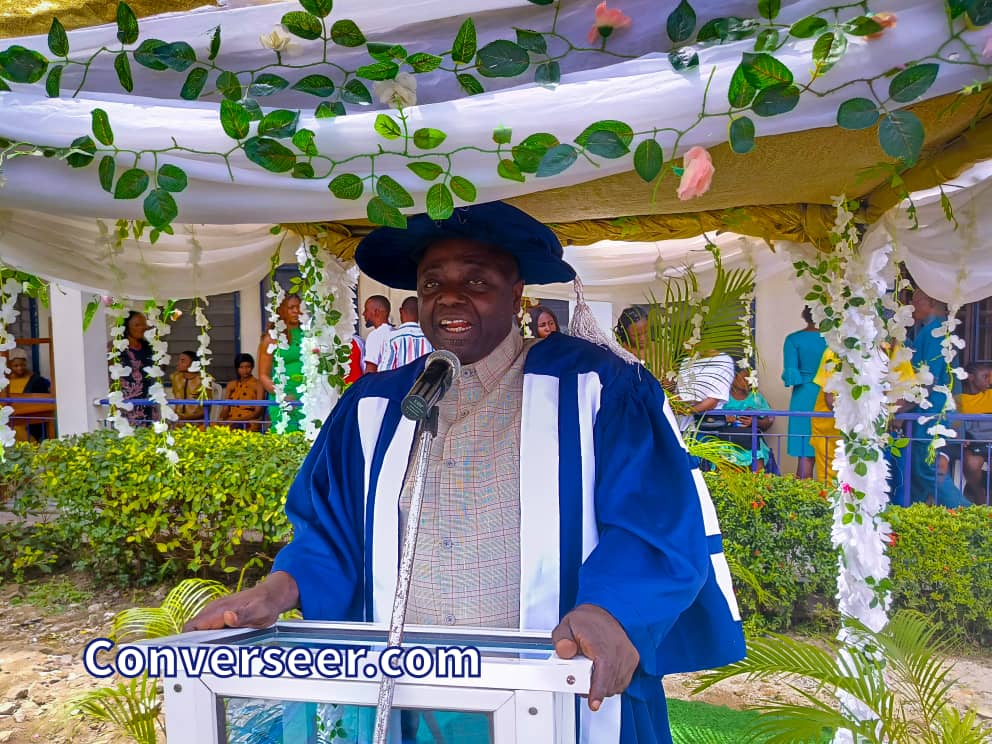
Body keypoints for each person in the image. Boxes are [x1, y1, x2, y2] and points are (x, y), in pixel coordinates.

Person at [188, 201, 745, 744]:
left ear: (517, 292)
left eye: (476, 281)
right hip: (408, 691)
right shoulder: (373, 405)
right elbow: (330, 532)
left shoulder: (599, 388)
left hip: (554, 689)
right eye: (431, 283)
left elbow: (657, 522)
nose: (449, 297)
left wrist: (612, 611)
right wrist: (277, 589)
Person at [907, 288, 970, 507]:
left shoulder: (936, 332)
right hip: (928, 413)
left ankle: (970, 517)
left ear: (930, 301)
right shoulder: (930, 331)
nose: (911, 306)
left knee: (928, 471)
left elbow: (928, 379)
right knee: (917, 475)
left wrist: (901, 406)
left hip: (933, 414)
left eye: (915, 301)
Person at [781, 307, 826, 478]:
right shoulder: (834, 340)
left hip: (804, 395)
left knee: (805, 454)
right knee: (829, 448)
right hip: (828, 394)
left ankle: (803, 497)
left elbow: (791, 376)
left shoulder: (793, 339)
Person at [258, 294, 304, 433]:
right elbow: (263, 376)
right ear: (282, 311)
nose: (296, 311)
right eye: (291, 308)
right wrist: (282, 395)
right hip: (283, 398)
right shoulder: (272, 338)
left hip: (308, 398)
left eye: (298, 307)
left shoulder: (308, 334)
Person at [720, 368, 774, 471]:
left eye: (749, 378)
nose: (747, 380)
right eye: (744, 378)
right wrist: (725, 419)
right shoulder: (724, 397)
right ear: (734, 378)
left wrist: (754, 422)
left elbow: (769, 421)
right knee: (725, 469)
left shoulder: (756, 397)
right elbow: (712, 419)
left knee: (757, 470)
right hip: (728, 441)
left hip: (751, 440)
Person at [956, 361, 992, 504]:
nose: (989, 381)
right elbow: (956, 425)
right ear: (970, 377)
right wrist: (961, 436)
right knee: (971, 464)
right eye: (985, 376)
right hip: (973, 443)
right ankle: (979, 495)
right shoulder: (958, 400)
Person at [675, 350, 735, 432]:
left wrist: (687, 410)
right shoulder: (687, 360)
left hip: (708, 426)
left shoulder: (723, 360)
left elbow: (713, 401)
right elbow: (681, 393)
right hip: (683, 426)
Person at [3, 347, 51, 442]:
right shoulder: (5, 382)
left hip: (30, 427)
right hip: (10, 425)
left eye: (22, 365)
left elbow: (43, 406)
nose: (19, 368)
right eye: (15, 366)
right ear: (9, 365)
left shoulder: (37, 381)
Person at [118, 311, 156, 426]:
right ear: (126, 327)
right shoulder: (117, 348)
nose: (143, 328)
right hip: (128, 402)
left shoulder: (148, 348)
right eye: (137, 325)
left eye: (144, 324)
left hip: (148, 399)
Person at [380, 296, 433, 371]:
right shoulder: (431, 338)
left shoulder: (392, 338)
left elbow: (384, 371)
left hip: (401, 382)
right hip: (426, 382)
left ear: (401, 311)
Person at [219, 353, 265, 431]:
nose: (245, 370)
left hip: (250, 421)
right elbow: (225, 409)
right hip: (231, 420)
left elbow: (258, 412)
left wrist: (237, 421)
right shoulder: (231, 385)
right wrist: (222, 420)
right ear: (237, 368)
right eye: (241, 367)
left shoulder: (258, 385)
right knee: (210, 427)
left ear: (252, 367)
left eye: (248, 367)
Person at [170, 350, 208, 426]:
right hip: (178, 422)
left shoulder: (203, 380)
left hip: (197, 423)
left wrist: (187, 418)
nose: (178, 363)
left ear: (193, 363)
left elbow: (207, 408)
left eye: (183, 361)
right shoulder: (175, 377)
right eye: (179, 360)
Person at [362, 295, 393, 373]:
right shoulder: (396, 332)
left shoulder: (375, 336)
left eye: (366, 310)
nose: (363, 314)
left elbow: (371, 369)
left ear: (376, 312)